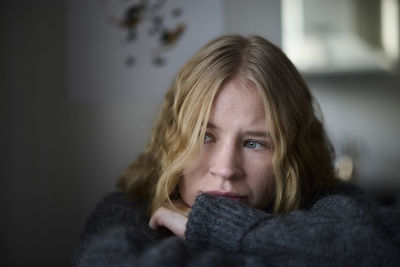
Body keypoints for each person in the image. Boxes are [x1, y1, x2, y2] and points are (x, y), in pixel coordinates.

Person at [72, 35, 400, 267]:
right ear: (173, 140)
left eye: (254, 143)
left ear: (292, 157)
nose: (226, 169)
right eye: (205, 136)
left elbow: (382, 249)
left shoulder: (323, 201)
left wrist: (216, 226)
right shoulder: (130, 207)